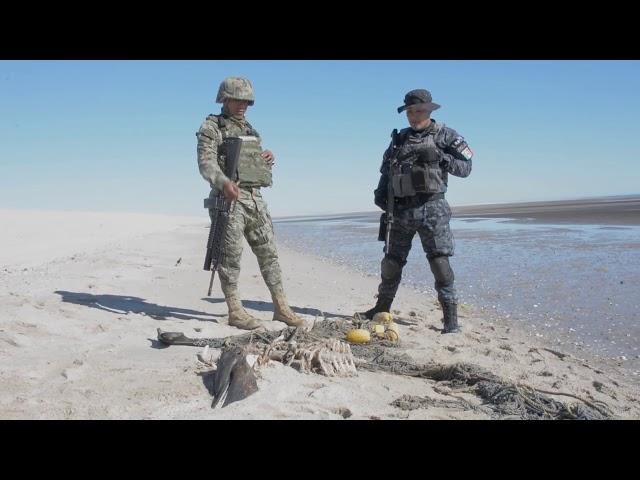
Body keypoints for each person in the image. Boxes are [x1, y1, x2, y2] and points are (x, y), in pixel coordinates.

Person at [359, 89, 473, 333]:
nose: (413, 116)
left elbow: (466, 168)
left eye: (418, 111)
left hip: (433, 209)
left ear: (429, 110)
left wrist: (442, 158)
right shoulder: (398, 139)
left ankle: (451, 320)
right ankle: (381, 309)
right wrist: (381, 193)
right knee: (391, 263)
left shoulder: (446, 135)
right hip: (400, 211)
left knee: (440, 263)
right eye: (409, 112)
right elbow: (386, 171)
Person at [196, 77, 305, 330]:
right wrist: (224, 183)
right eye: (237, 99)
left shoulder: (250, 131)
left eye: (247, 101)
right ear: (225, 98)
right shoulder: (212, 127)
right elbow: (206, 163)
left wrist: (266, 157)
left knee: (269, 255)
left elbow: (253, 166)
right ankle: (235, 311)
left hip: (255, 200)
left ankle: (281, 308)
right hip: (228, 201)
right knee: (229, 258)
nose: (243, 105)